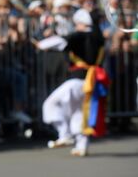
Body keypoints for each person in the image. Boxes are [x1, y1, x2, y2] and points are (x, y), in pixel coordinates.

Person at [42, 9, 107, 157]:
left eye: (77, 23)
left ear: (82, 23)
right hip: (92, 81)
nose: (76, 26)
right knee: (79, 112)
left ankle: (64, 134)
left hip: (78, 80)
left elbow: (61, 41)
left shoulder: (81, 36)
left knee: (50, 104)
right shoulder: (98, 37)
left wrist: (42, 43)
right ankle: (81, 146)